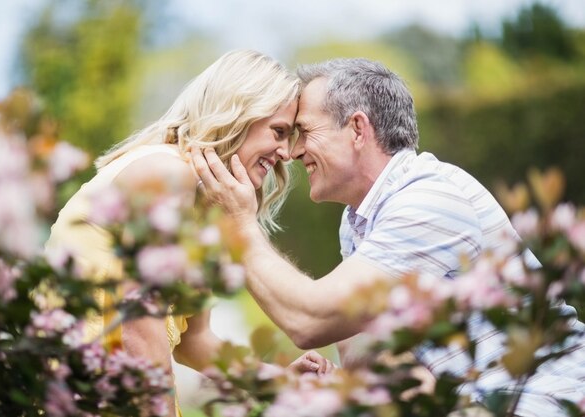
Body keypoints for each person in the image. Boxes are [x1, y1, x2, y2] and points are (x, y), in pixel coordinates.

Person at [192, 57, 585, 416]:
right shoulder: (360, 218)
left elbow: (310, 322)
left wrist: (240, 223)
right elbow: (354, 342)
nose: (293, 152)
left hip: (536, 402)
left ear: (358, 129)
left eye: (304, 132)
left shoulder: (429, 199)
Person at [45, 49, 333, 417]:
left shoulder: (199, 209)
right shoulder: (165, 175)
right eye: (279, 132)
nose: (285, 152)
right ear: (239, 115)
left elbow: (194, 342)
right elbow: (138, 325)